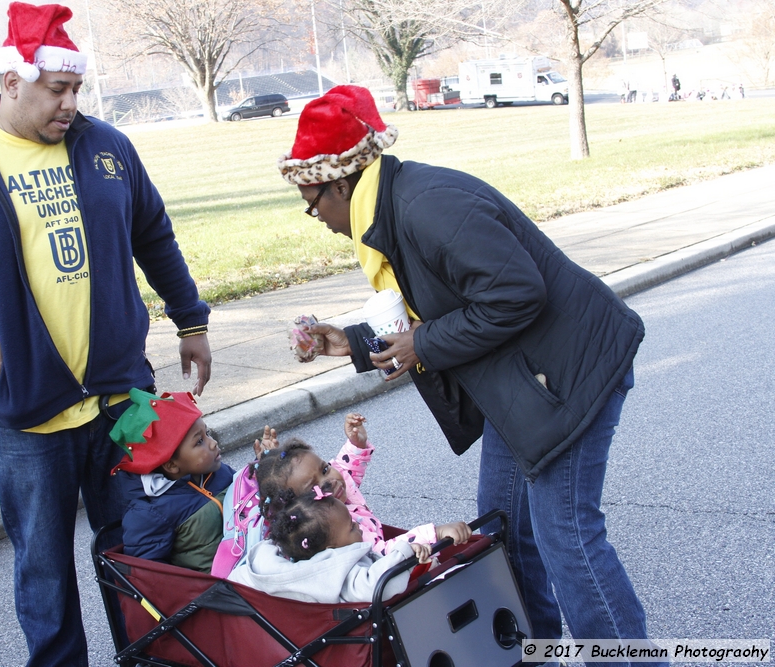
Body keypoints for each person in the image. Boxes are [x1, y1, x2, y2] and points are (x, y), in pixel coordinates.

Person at [0, 3, 211, 664]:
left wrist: (189, 318)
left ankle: (154, 656)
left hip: (124, 398)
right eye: (58, 90)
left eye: (76, 88)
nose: (70, 103)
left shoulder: (107, 147)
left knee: (146, 552)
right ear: (12, 83)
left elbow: (153, 233)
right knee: (45, 574)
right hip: (26, 415)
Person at [279, 86, 654, 661]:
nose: (317, 218)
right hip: (523, 384)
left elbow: (514, 293)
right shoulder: (390, 210)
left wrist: (422, 343)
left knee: (568, 540)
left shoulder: (428, 205)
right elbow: (439, 302)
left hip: (568, 375)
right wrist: (351, 342)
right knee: (503, 527)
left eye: (313, 203)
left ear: (341, 182)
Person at [254, 413, 460, 556]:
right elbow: (382, 552)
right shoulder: (338, 529)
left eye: (324, 469)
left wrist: (356, 443)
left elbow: (344, 468)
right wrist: (435, 533)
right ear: (301, 510)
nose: (331, 480)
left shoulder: (334, 492)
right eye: (313, 486)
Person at [228, 488, 469, 603]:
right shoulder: (334, 570)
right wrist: (402, 554)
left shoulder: (266, 558)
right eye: (352, 527)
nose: (359, 526)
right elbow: (372, 586)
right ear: (331, 550)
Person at [112, 389, 233, 572]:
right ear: (171, 465)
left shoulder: (217, 471)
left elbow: (251, 499)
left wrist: (264, 466)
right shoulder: (149, 512)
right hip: (213, 590)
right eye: (199, 441)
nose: (213, 443)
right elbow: (151, 575)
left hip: (247, 565)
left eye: (207, 433)